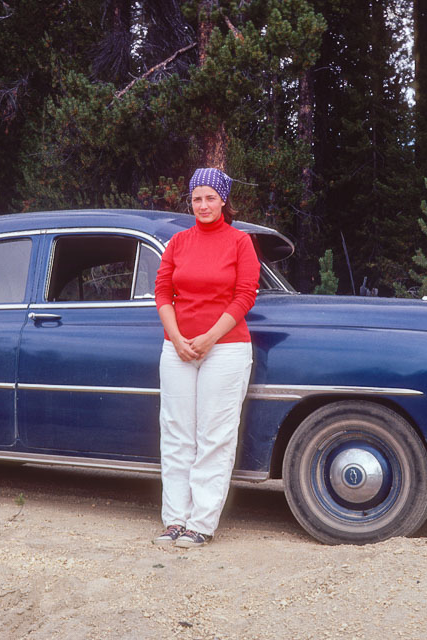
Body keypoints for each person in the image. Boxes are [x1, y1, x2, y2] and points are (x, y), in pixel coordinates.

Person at [152, 167, 261, 549]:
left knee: (214, 436)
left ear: (223, 200)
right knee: (177, 433)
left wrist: (210, 338)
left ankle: (201, 523)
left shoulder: (240, 242)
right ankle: (174, 520)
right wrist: (178, 337)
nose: (203, 205)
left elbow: (246, 294)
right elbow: (162, 292)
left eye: (210, 198)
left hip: (226, 348)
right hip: (177, 348)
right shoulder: (178, 242)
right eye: (197, 198)